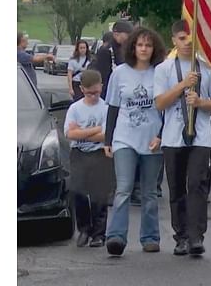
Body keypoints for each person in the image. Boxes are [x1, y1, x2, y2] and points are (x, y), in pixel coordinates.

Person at [154, 20, 211, 256]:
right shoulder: (164, 69)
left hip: (200, 137)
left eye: (191, 38)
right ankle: (181, 236)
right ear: (174, 39)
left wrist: (201, 102)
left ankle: (196, 236)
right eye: (182, 38)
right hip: (173, 137)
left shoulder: (207, 68)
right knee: (176, 188)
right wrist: (182, 85)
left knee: (197, 185)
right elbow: (160, 103)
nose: (187, 43)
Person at [103, 27, 166, 256]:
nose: (143, 49)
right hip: (124, 138)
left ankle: (150, 237)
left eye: (148, 45)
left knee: (149, 192)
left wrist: (162, 136)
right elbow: (113, 107)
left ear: (154, 49)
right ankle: (116, 236)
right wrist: (108, 139)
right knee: (124, 188)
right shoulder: (119, 73)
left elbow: (166, 108)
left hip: (152, 139)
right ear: (132, 47)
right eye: (139, 45)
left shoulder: (160, 73)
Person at [64, 70, 112, 248]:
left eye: (96, 92)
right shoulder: (75, 108)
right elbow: (70, 133)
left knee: (99, 194)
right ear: (82, 89)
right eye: (88, 92)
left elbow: (106, 135)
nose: (93, 96)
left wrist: (81, 133)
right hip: (79, 153)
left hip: (99, 153)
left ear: (101, 87)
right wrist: (95, 130)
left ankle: (99, 233)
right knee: (79, 192)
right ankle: (84, 229)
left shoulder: (106, 108)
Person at [93, 20, 133, 99]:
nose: (130, 38)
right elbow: (103, 76)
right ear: (116, 34)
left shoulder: (127, 49)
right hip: (110, 92)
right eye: (127, 35)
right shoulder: (106, 50)